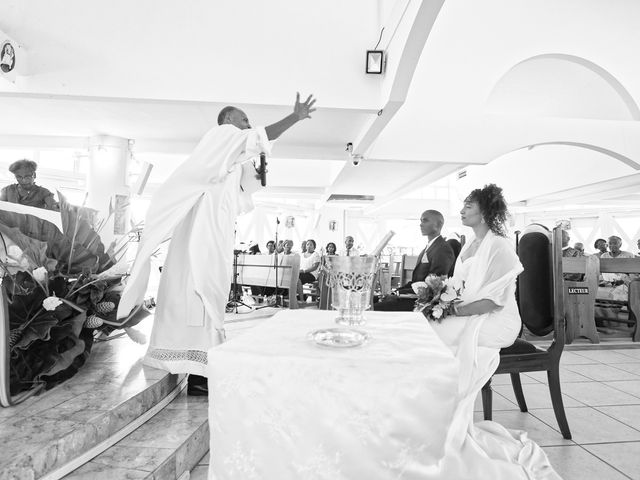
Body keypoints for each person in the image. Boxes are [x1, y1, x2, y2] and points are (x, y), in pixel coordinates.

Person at [116, 93, 316, 396]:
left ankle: (198, 365)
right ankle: (199, 372)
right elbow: (258, 138)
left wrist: (257, 172)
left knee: (208, 288)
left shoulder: (227, 157)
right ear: (228, 120)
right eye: (244, 119)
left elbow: (244, 187)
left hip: (215, 228)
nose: (248, 125)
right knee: (203, 285)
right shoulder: (222, 135)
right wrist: (294, 118)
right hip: (204, 229)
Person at [428, 184, 559, 478]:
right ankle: (437, 417)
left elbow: (493, 301)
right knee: (430, 330)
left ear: (486, 211)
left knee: (443, 334)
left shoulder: (499, 244)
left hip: (497, 319)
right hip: (471, 311)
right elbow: (459, 287)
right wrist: (439, 304)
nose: (462, 210)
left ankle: (446, 421)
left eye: (469, 206)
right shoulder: (469, 244)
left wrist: (450, 311)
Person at [375, 209, 455, 311]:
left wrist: (398, 294)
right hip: (412, 296)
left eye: (425, 221)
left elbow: (433, 287)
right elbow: (415, 282)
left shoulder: (443, 249)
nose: (421, 224)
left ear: (438, 225)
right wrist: (394, 292)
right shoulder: (427, 248)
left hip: (421, 302)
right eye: (421, 221)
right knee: (373, 300)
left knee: (373, 308)